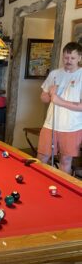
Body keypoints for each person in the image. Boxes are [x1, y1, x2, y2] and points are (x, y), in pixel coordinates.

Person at [37, 42, 82, 174]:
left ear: (79, 57)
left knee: (65, 160)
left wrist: (59, 101)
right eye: (66, 58)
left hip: (72, 126)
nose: (68, 61)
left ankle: (61, 190)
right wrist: (50, 95)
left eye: (72, 58)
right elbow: (43, 97)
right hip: (50, 124)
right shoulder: (55, 74)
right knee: (42, 157)